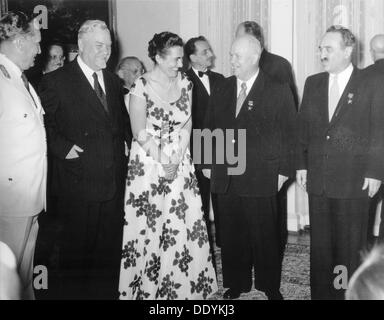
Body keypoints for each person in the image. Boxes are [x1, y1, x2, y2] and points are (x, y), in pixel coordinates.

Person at [118, 31, 218, 300]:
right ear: (157, 58)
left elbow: (188, 124)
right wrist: (163, 160)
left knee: (182, 221)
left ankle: (183, 286)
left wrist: (177, 158)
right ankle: (149, 288)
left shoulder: (186, 83)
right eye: (174, 59)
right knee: (151, 224)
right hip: (149, 162)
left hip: (179, 160)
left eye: (181, 59)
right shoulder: (141, 85)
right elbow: (138, 129)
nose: (179, 64)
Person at [39, 20, 132, 300]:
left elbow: (120, 124)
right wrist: (62, 147)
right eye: (99, 46)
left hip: (112, 183)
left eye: (109, 46)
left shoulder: (113, 81)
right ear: (80, 47)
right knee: (76, 256)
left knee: (108, 252)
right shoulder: (56, 81)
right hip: (77, 183)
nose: (106, 52)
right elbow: (43, 125)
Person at [297, 25, 384, 300]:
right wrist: (301, 165)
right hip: (319, 180)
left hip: (353, 180)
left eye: (328, 48)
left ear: (348, 51)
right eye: (320, 48)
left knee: (348, 246)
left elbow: (380, 130)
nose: (322, 54)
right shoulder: (314, 82)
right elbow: (303, 128)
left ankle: (344, 293)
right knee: (322, 246)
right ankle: (322, 295)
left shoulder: (371, 82)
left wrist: (375, 172)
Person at [207, 34, 296, 300]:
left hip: (261, 175)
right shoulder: (222, 87)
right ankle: (237, 283)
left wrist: (283, 171)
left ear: (255, 57)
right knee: (232, 233)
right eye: (231, 54)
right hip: (226, 175)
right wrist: (206, 162)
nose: (231, 60)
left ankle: (270, 285)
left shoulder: (277, 88)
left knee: (265, 234)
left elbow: (289, 133)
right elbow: (208, 125)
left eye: (237, 56)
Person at [236, 21, 298, 263]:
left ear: (256, 43)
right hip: (242, 155)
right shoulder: (239, 67)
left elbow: (287, 116)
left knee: (272, 211)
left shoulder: (278, 65)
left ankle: (274, 252)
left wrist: (283, 162)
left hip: (269, 157)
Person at [0, 11, 46, 300]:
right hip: (10, 200)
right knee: (6, 278)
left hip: (31, 197)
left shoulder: (19, 79)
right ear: (19, 42)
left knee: (24, 277)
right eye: (36, 43)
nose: (40, 50)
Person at [184, 36, 225, 254]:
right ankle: (201, 248)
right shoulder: (183, 80)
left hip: (222, 145)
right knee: (199, 198)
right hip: (196, 148)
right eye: (205, 52)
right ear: (192, 57)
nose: (211, 55)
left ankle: (225, 242)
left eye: (210, 50)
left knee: (223, 197)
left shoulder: (220, 79)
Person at [365, 34, 384, 246]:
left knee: (365, 214)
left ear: (372, 52)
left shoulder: (363, 77)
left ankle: (362, 259)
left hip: (369, 158)